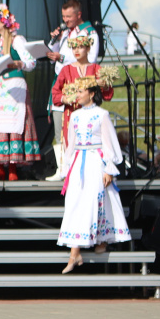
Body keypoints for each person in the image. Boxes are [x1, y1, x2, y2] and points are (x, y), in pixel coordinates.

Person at [57, 77, 130, 272]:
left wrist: (108, 168)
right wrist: (67, 166)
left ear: (91, 93)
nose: (78, 95)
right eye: (77, 91)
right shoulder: (75, 116)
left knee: (95, 200)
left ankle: (94, 243)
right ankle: (76, 252)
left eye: (81, 91)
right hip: (80, 161)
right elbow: (71, 143)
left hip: (95, 161)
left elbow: (109, 143)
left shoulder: (102, 115)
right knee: (76, 202)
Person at [0, 4, 39, 181]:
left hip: (14, 86)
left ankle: (12, 166)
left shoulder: (16, 40)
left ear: (3, 23)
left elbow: (31, 62)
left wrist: (20, 64)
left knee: (13, 124)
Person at [46, 0, 100, 180]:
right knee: (59, 128)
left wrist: (62, 57)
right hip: (61, 84)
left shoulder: (89, 33)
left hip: (78, 87)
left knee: (77, 129)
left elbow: (90, 61)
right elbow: (53, 58)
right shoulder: (65, 33)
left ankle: (78, 168)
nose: (65, 20)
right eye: (63, 17)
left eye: (69, 16)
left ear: (79, 15)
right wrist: (54, 41)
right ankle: (62, 169)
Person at [51, 36, 116, 166]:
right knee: (73, 149)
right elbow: (55, 95)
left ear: (88, 48)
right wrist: (66, 98)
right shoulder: (66, 70)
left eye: (80, 47)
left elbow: (108, 95)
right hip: (72, 116)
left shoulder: (96, 69)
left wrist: (104, 85)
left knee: (92, 146)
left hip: (92, 116)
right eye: (74, 47)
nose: (77, 50)